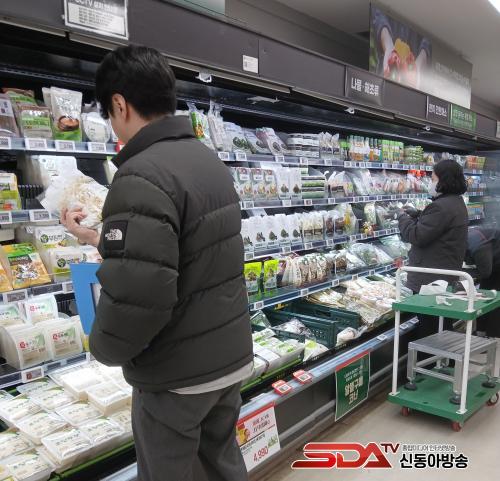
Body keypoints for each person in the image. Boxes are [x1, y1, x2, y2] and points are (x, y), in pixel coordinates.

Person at [61, 45, 252, 481]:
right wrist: (97, 239)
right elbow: (182, 253)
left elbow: (141, 293)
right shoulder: (207, 159)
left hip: (176, 373)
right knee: (220, 467)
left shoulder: (140, 173)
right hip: (226, 358)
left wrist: (103, 347)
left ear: (120, 104)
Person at [398, 159, 468, 338]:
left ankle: (428, 355)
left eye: (433, 178)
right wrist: (419, 214)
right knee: (442, 324)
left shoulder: (440, 206)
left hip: (430, 280)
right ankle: (444, 353)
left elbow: (416, 236)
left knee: (430, 329)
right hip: (444, 275)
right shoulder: (456, 202)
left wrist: (402, 218)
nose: (431, 182)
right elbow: (438, 225)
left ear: (443, 180)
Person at [466, 227, 500, 337]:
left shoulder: (477, 244)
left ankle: (493, 336)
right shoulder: (465, 240)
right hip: (494, 264)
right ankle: (481, 332)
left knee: (496, 300)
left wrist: (464, 273)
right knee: (484, 295)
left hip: (494, 266)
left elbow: (485, 272)